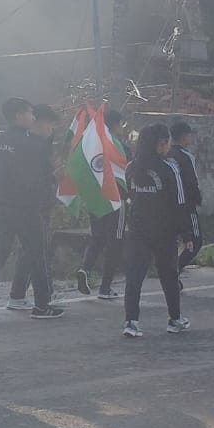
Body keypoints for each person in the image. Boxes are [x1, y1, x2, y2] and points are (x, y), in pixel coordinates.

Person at [0, 98, 63, 322]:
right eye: (30, 113)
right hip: (27, 209)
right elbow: (40, 178)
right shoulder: (34, 145)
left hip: (2, 207)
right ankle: (42, 306)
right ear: (19, 115)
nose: (33, 117)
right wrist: (51, 183)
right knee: (37, 254)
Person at [122, 123, 188, 337]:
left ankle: (131, 322)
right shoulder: (169, 168)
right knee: (169, 275)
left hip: (138, 229)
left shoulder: (131, 168)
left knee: (134, 277)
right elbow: (180, 203)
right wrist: (186, 234)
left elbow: (128, 198)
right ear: (161, 144)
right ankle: (175, 319)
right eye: (166, 142)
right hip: (164, 231)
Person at [7, 104, 61, 310]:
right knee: (36, 250)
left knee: (33, 250)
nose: (52, 129)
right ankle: (39, 299)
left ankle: (21, 294)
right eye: (50, 124)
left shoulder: (40, 143)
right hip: (32, 205)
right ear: (39, 122)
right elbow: (34, 177)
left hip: (37, 203)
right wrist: (55, 174)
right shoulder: (32, 146)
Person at [76, 110, 128, 300]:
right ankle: (105, 287)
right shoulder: (116, 145)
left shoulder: (92, 145)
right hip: (116, 199)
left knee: (97, 237)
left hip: (95, 198)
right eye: (121, 124)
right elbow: (126, 171)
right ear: (115, 124)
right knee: (116, 240)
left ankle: (85, 268)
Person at [168, 121, 203, 274]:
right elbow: (191, 182)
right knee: (195, 242)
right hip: (187, 206)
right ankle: (174, 271)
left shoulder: (166, 154)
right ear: (184, 136)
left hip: (168, 206)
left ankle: (170, 271)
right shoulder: (186, 156)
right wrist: (197, 199)